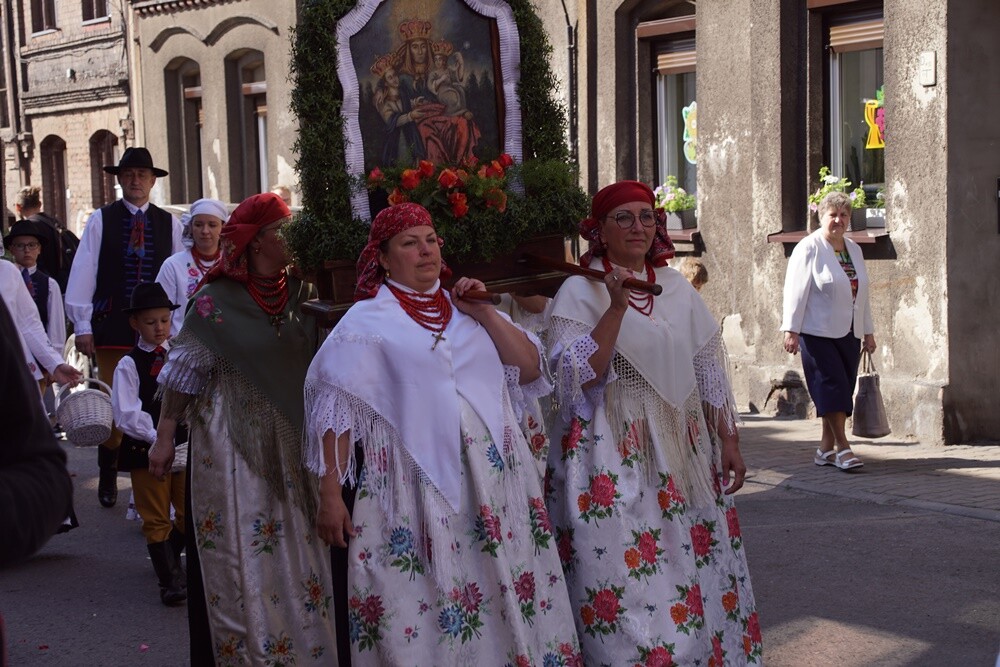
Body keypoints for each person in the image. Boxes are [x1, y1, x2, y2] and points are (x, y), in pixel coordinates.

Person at [303, 203, 581, 665]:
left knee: (502, 580)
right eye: (409, 243)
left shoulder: (467, 308)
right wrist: (330, 494)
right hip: (413, 487)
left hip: (494, 485)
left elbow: (531, 369)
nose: (425, 250)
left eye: (431, 239)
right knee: (426, 597)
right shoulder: (365, 323)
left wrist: (486, 313)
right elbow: (336, 408)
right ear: (384, 259)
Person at [545, 181, 761, 665]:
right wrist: (617, 306)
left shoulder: (677, 288)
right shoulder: (579, 291)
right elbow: (577, 378)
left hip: (682, 453)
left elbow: (708, 369)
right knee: (627, 578)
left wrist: (728, 438)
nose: (638, 227)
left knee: (696, 564)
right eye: (623, 217)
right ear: (599, 230)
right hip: (612, 456)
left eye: (646, 216)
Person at [149, 193, 337, 664]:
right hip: (234, 444)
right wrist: (165, 436)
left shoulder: (307, 294)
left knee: (299, 546)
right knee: (245, 546)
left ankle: (308, 649)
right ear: (254, 242)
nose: (290, 239)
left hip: (298, 442)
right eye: (281, 231)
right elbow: (183, 375)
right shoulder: (213, 301)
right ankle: (249, 650)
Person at [64, 146, 183, 508]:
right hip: (114, 325)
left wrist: (176, 329)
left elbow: (178, 276)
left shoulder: (170, 224)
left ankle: (153, 473)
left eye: (142, 175)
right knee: (119, 405)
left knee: (159, 401)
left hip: (160, 327)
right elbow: (85, 271)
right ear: (119, 180)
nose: (135, 181)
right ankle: (109, 465)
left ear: (152, 181)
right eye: (129, 174)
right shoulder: (101, 220)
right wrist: (83, 323)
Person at [781, 190, 876, 471]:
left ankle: (824, 449)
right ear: (821, 216)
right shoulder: (809, 247)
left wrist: (868, 331)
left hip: (849, 331)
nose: (838, 220)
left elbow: (862, 294)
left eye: (844, 214)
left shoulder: (853, 249)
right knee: (831, 387)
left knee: (842, 389)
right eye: (832, 214)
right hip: (816, 332)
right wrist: (791, 329)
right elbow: (795, 291)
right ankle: (844, 448)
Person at [111, 283, 188, 606]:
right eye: (150, 322)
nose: (159, 328)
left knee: (187, 511)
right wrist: (158, 437)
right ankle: (169, 580)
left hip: (184, 447)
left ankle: (172, 557)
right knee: (155, 514)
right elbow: (126, 412)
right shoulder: (128, 365)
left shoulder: (182, 356)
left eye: (164, 321)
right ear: (135, 324)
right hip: (146, 450)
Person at [4, 220, 67, 384]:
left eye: (31, 245)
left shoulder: (49, 284)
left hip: (37, 360)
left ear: (39, 248)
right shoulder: (9, 275)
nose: (26, 251)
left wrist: (53, 362)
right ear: (11, 249)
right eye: (20, 246)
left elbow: (48, 326)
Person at [155, 198, 227, 335]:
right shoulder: (173, 265)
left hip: (223, 347)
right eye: (199, 225)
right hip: (183, 348)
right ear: (190, 227)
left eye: (212, 225)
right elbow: (160, 312)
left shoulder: (232, 264)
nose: (205, 231)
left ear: (223, 228)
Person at [14, 185, 78, 292]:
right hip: (66, 285)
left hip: (44, 287)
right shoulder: (53, 223)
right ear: (39, 204)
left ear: (18, 207)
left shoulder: (29, 229)